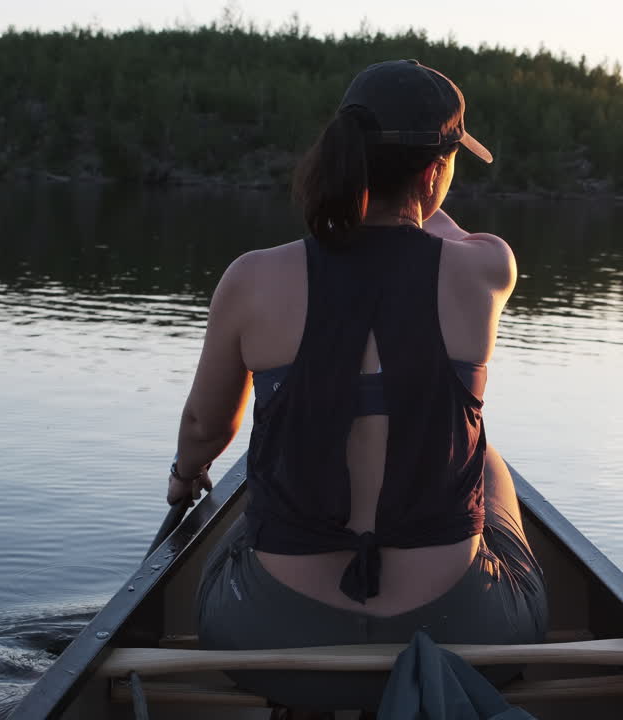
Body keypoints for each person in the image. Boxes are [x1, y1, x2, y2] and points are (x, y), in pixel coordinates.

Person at [167, 59, 548, 713]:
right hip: (468, 635)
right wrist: (416, 200)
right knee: (486, 459)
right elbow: (444, 231)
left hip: (266, 642)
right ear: (436, 171)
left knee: (256, 483)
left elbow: (207, 429)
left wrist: (185, 478)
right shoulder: (487, 269)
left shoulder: (251, 279)